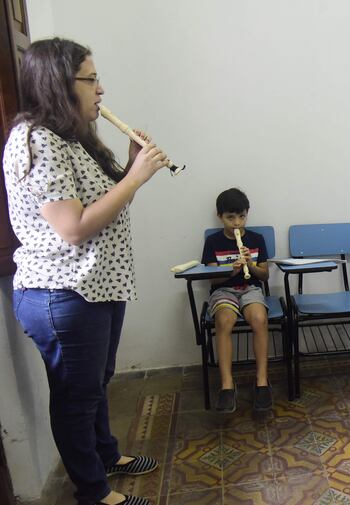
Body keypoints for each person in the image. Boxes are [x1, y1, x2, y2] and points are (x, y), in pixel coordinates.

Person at [3, 38, 168, 505]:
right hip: (64, 293)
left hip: (97, 285)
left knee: (95, 383)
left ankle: (106, 454)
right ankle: (94, 493)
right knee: (76, 397)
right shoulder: (35, 140)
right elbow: (73, 228)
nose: (101, 90)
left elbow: (104, 206)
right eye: (91, 79)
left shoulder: (70, 138)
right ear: (59, 83)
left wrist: (130, 168)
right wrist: (136, 177)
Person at [201, 188, 272, 413]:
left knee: (259, 319)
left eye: (241, 217)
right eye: (231, 217)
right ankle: (227, 385)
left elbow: (265, 275)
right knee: (224, 322)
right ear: (220, 216)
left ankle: (261, 381)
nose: (237, 223)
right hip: (224, 291)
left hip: (251, 288)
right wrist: (231, 270)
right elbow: (212, 278)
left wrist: (250, 265)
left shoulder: (256, 239)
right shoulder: (212, 242)